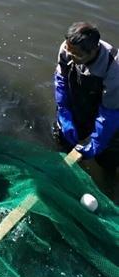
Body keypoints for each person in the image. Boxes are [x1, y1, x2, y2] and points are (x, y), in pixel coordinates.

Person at [53, 22, 119, 170]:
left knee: (107, 159)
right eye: (69, 51)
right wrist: (64, 112)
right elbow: (61, 81)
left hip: (111, 109)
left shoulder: (114, 68)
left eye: (78, 55)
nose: (71, 56)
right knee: (63, 138)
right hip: (81, 101)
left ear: (94, 50)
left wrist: (96, 142)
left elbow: (109, 113)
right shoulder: (68, 48)